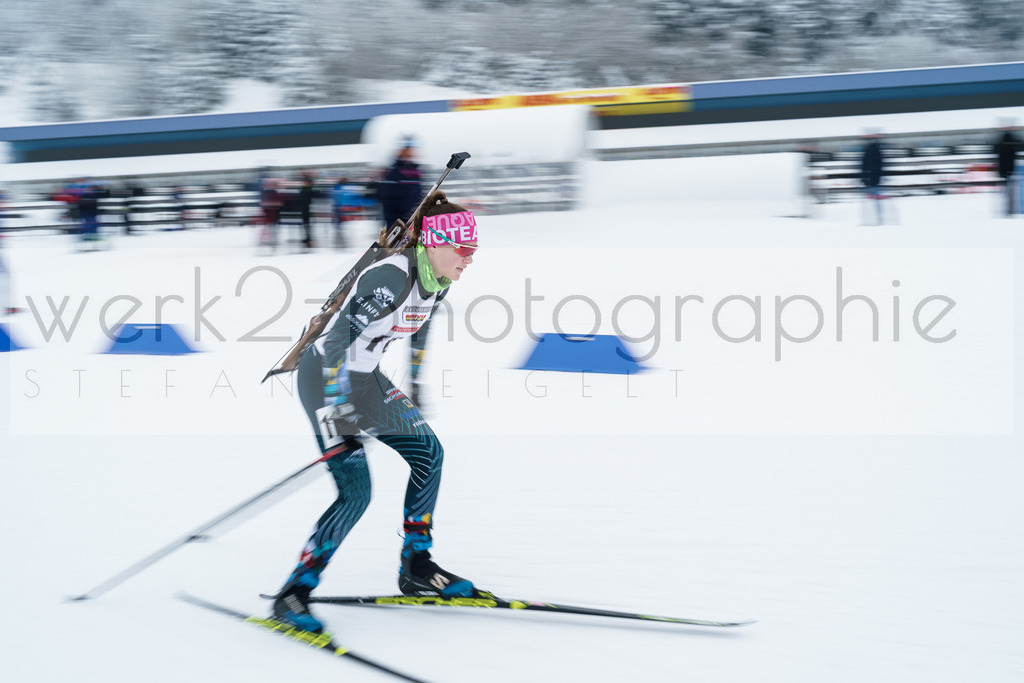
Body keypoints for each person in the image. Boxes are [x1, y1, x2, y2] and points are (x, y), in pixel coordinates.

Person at [272, 189, 480, 633]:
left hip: (365, 380)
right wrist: (341, 415)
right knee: (356, 492)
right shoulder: (388, 278)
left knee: (429, 454)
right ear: (435, 243)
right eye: (463, 248)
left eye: (474, 249)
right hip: (324, 381)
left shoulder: (437, 280)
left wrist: (415, 383)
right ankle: (294, 593)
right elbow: (333, 345)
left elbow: (419, 330)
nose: (470, 257)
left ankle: (417, 565)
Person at [377, 140, 423, 230]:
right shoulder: (393, 171)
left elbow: (418, 192)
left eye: (410, 152)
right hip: (395, 218)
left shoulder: (415, 171)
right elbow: (385, 194)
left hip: (410, 216)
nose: (409, 155)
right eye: (406, 152)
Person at [993, 124, 1021, 216]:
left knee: (1005, 191)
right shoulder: (1013, 144)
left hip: (1002, 170)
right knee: (1012, 192)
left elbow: (994, 149)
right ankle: (1010, 210)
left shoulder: (1000, 143)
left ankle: (1006, 210)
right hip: (1011, 170)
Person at [859, 130, 885, 225]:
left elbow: (864, 164)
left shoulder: (869, 149)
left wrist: (863, 177)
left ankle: (874, 218)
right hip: (874, 178)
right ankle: (877, 218)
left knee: (871, 199)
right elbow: (879, 164)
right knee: (875, 199)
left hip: (870, 178)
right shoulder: (877, 149)